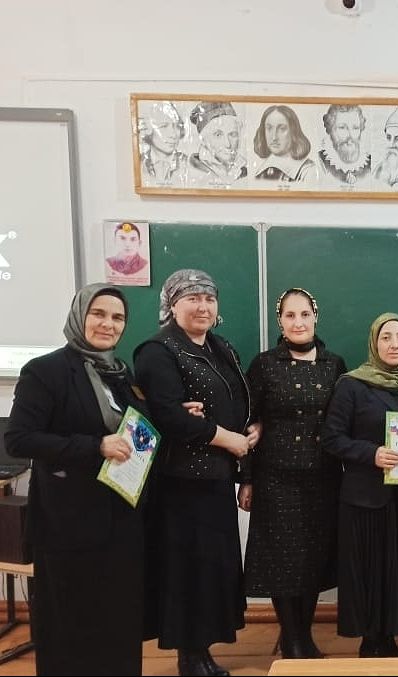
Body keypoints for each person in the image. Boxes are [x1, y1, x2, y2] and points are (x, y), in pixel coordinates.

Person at [4, 284, 145, 675]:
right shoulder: (46, 371)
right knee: (71, 627)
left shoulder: (120, 374)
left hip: (120, 520)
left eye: (117, 317)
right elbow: (19, 439)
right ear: (79, 315)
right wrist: (95, 446)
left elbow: (130, 429)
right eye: (98, 313)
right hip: (68, 525)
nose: (108, 324)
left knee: (117, 623)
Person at [135, 269, 259, 677]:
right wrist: (228, 439)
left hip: (215, 479)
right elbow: (170, 417)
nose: (202, 306)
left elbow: (238, 402)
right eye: (192, 299)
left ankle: (202, 651)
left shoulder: (221, 347)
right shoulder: (157, 351)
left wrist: (251, 429)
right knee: (186, 571)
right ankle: (189, 658)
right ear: (172, 305)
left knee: (211, 570)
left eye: (209, 298)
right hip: (180, 483)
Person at [321, 312, 398, 657]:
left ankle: (390, 636)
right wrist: (371, 454)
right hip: (365, 498)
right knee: (370, 571)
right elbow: (331, 438)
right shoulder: (352, 385)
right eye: (386, 337)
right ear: (374, 342)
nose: (394, 344)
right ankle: (371, 641)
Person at [238, 288, 346, 658]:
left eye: (304, 314)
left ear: (316, 317)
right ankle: (293, 639)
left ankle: (302, 635)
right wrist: (246, 479)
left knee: (313, 556)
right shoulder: (264, 364)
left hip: (323, 477)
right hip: (275, 477)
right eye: (289, 315)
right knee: (282, 559)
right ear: (280, 321)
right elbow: (247, 422)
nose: (298, 322)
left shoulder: (335, 364)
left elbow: (346, 417)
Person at [187, 101, 248, 187]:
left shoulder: (245, 172)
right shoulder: (191, 172)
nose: (227, 144)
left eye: (233, 134)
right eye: (218, 135)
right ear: (204, 140)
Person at [252, 105, 319, 183]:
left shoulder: (308, 171)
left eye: (282, 129)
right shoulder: (260, 170)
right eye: (269, 128)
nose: (274, 137)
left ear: (293, 132)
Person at [139, 100, 189, 186]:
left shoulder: (189, 164)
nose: (173, 134)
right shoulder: (138, 163)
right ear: (148, 129)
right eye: (164, 126)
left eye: (177, 126)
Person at [318, 103, 370, 186]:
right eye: (342, 127)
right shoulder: (319, 161)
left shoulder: (369, 163)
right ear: (330, 129)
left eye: (355, 128)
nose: (350, 135)